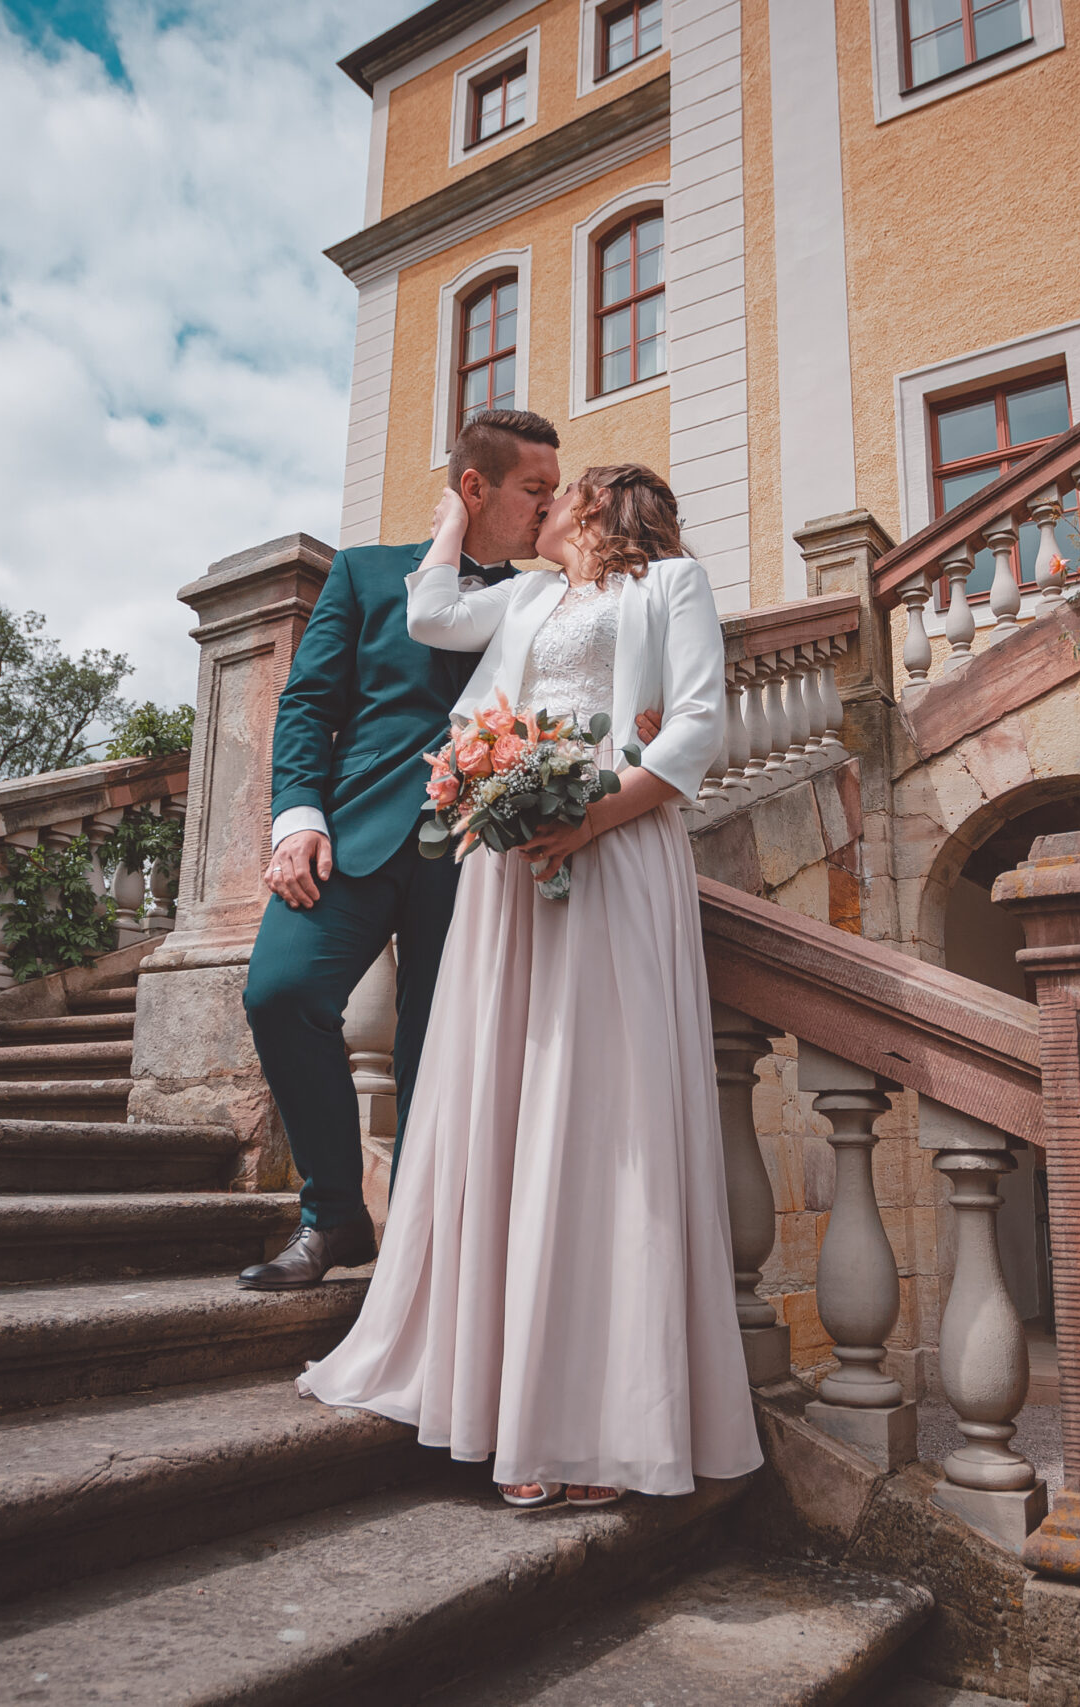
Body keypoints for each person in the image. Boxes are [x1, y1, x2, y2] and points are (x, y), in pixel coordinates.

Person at [298, 464, 763, 1509]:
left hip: (616, 847)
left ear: (600, 507)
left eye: (562, 493)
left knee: (604, 1112)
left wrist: (589, 815)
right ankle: (500, 1392)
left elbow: (696, 725)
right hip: (506, 868)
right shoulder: (526, 596)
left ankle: (599, 1421)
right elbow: (433, 615)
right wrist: (453, 517)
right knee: (506, 1106)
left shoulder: (672, 585)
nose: (542, 507)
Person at [235, 409, 561, 1290]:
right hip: (353, 836)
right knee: (280, 991)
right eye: (534, 488)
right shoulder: (366, 573)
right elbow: (308, 704)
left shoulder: (543, 594)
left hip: (482, 853)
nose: (549, 505)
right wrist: (298, 816)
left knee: (441, 1049)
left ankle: (422, 1256)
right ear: (474, 487)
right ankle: (335, 1213)